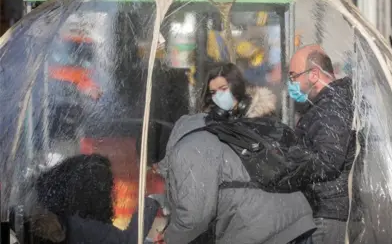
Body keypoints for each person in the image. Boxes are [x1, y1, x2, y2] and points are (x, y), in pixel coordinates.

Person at [158, 62, 316, 244]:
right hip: (293, 218)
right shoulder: (213, 134)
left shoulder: (191, 147)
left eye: (223, 89)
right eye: (213, 93)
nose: (218, 96)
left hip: (266, 228)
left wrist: (169, 239)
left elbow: (194, 217)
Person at [287, 44, 356, 244]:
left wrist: (288, 161)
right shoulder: (325, 105)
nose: (291, 83)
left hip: (327, 212)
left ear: (314, 74)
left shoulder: (332, 106)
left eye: (293, 76)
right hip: (323, 210)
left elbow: (329, 160)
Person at [32, 154, 163, 244]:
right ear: (91, 191)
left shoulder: (61, 213)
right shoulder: (80, 225)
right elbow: (127, 241)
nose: (111, 194)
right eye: (107, 187)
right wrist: (151, 202)